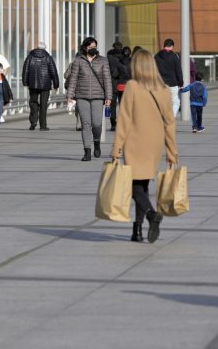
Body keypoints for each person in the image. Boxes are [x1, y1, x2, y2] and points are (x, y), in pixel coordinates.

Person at [111, 49, 178, 244]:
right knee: (143, 184)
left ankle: (151, 214)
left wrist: (116, 149)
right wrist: (172, 151)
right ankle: (137, 231)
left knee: (133, 186)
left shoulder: (132, 86)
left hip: (135, 141)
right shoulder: (164, 89)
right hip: (154, 143)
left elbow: (124, 119)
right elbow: (170, 122)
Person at [66, 37, 113, 161]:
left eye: (95, 47)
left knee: (97, 123)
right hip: (82, 96)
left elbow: (107, 79)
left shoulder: (103, 61)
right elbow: (73, 79)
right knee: (86, 124)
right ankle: (87, 151)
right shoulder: (78, 61)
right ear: (85, 48)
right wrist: (70, 96)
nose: (93, 49)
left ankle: (96, 141)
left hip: (98, 96)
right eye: (91, 47)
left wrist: (109, 97)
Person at [22, 42, 59, 130]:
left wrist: (25, 82)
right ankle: (43, 126)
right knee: (43, 105)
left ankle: (33, 121)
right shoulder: (48, 57)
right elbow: (53, 72)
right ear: (44, 48)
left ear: (37, 47)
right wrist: (56, 84)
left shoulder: (30, 56)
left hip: (33, 84)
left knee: (33, 102)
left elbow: (25, 70)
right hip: (45, 85)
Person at [154, 38, 184, 117]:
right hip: (172, 83)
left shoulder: (156, 56)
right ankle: (170, 118)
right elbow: (178, 71)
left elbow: (154, 70)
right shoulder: (174, 56)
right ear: (172, 46)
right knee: (176, 102)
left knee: (162, 102)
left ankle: (162, 118)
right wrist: (181, 83)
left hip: (160, 83)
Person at [106, 41, 127, 131]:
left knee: (113, 105)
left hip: (112, 84)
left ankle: (113, 124)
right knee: (123, 105)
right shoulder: (125, 57)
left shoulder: (109, 57)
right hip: (123, 84)